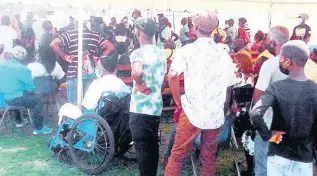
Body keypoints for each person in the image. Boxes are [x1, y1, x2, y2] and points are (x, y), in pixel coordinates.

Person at [165, 11, 235, 176]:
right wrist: (224, 108)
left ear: (195, 28)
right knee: (208, 157)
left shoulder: (187, 50)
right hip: (214, 112)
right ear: (213, 30)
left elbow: (173, 75)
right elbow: (229, 86)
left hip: (191, 110)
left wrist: (177, 100)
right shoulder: (223, 54)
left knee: (177, 156)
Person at [250, 40, 317, 176]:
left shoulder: (276, 88)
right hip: (304, 157)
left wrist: (268, 135)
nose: (279, 61)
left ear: (288, 61)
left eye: (281, 58)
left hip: (278, 154)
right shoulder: (314, 90)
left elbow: (256, 113)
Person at [129, 18, 166, 176]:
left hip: (140, 108)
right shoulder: (161, 53)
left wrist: (140, 84)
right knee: (152, 148)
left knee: (143, 150)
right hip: (156, 107)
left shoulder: (138, 53)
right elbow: (163, 82)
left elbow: (137, 72)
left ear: (138, 32)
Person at [251, 26, 289, 176]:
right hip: (295, 122)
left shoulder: (271, 64)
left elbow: (257, 97)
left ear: (273, 43)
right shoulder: (304, 61)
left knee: (263, 164)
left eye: (268, 40)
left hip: (270, 122)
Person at [50, 22, 114, 104]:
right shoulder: (96, 35)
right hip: (90, 73)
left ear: (75, 24)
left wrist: (65, 56)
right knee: (89, 104)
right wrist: (99, 59)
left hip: (74, 72)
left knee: (74, 105)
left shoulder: (70, 34)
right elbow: (111, 47)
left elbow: (53, 44)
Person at [0, 46, 52, 134]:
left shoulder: (1, 65)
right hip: (14, 99)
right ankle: (38, 128)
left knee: (21, 95)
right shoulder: (23, 69)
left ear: (11, 54)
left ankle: (19, 121)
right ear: (23, 58)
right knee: (37, 100)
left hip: (2, 99)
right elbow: (31, 88)